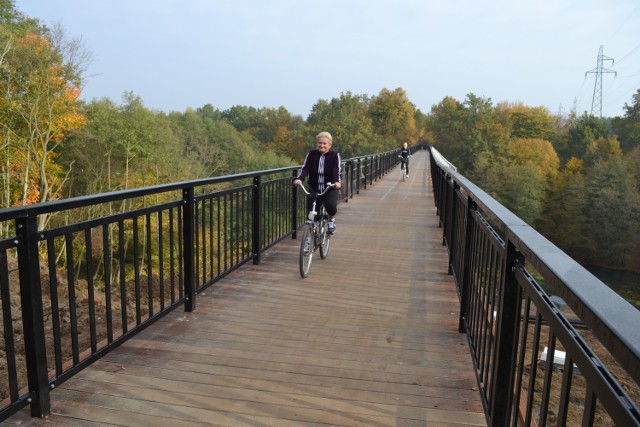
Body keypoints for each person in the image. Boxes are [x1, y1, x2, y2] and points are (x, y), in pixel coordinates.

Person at [293, 131, 342, 234]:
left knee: (331, 206)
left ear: (329, 145)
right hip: (314, 187)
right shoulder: (311, 154)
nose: (322, 145)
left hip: (329, 187)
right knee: (310, 215)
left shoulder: (334, 155)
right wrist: (300, 179)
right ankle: (308, 239)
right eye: (320, 143)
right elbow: (305, 168)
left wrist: (336, 182)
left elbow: (336, 169)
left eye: (324, 143)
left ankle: (331, 220)